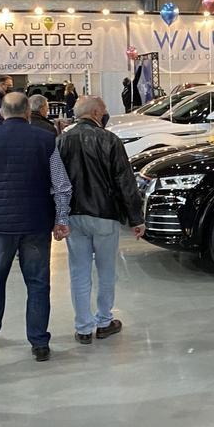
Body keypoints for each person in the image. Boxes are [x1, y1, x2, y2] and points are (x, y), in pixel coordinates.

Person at [0, 92, 71, 361]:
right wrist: (61, 219)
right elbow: (61, 185)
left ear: (1, 113)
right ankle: (39, 342)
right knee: (38, 282)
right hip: (37, 223)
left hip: (0, 225)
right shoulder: (46, 139)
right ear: (28, 112)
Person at [57, 96, 144, 344]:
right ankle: (104, 322)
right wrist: (136, 218)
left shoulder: (62, 141)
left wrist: (57, 217)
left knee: (79, 272)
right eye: (104, 109)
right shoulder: (110, 140)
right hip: (105, 215)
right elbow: (125, 181)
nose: (105, 113)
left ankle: (83, 328)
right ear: (96, 113)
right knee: (106, 271)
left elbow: (56, 182)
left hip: (74, 215)